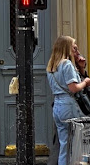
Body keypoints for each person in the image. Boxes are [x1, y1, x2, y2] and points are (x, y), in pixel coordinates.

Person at [47, 35, 90, 165]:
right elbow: (73, 88)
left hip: (58, 105)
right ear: (66, 48)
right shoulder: (67, 64)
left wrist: (81, 68)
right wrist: (86, 82)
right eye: (74, 48)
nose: (76, 51)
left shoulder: (52, 66)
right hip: (69, 105)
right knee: (76, 143)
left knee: (64, 144)